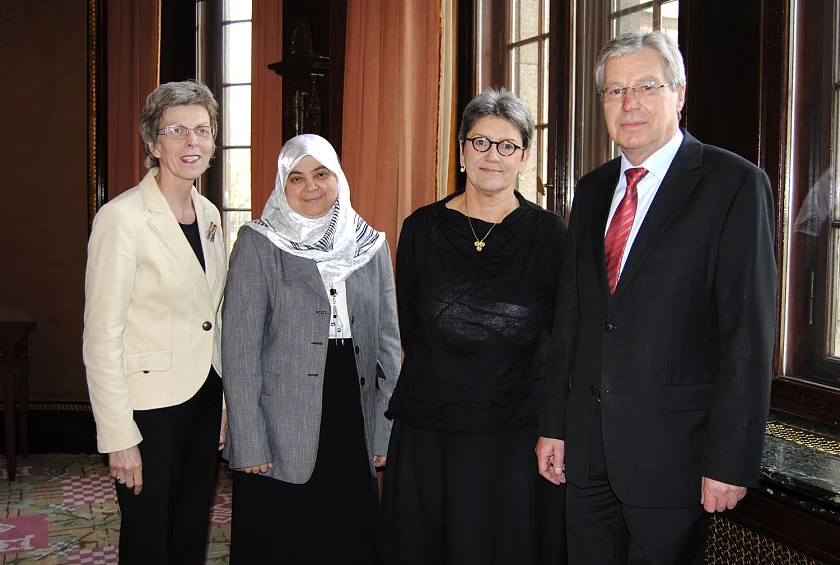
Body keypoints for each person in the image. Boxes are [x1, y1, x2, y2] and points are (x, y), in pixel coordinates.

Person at [536, 31, 777, 565]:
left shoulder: (732, 184)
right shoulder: (592, 189)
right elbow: (571, 319)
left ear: (679, 93)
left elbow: (748, 335)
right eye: (614, 91)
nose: (629, 103)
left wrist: (731, 460)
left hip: (678, 459)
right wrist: (554, 425)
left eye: (646, 85)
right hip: (589, 450)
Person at [380, 89, 568, 565]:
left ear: (524, 157)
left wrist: (555, 427)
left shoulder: (550, 235)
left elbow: (564, 335)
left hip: (516, 432)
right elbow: (411, 323)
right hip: (432, 430)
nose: (492, 156)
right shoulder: (421, 228)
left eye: (507, 145)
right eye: (480, 142)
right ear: (461, 151)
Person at [221, 134, 401, 564]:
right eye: (297, 178)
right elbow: (240, 351)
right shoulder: (258, 244)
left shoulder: (371, 246)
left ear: (338, 177)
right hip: (277, 431)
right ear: (282, 185)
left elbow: (388, 350)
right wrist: (249, 442)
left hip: (350, 416)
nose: (311, 187)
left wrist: (383, 430)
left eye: (322, 174)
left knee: (346, 541)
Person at [83, 81, 227, 565]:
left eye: (202, 131)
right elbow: (101, 336)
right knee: (149, 541)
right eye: (177, 130)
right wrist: (118, 437)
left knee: (189, 531)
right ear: (152, 142)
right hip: (148, 412)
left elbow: (214, 314)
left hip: (204, 398)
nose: (192, 142)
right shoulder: (121, 218)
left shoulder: (209, 214)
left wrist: (224, 399)